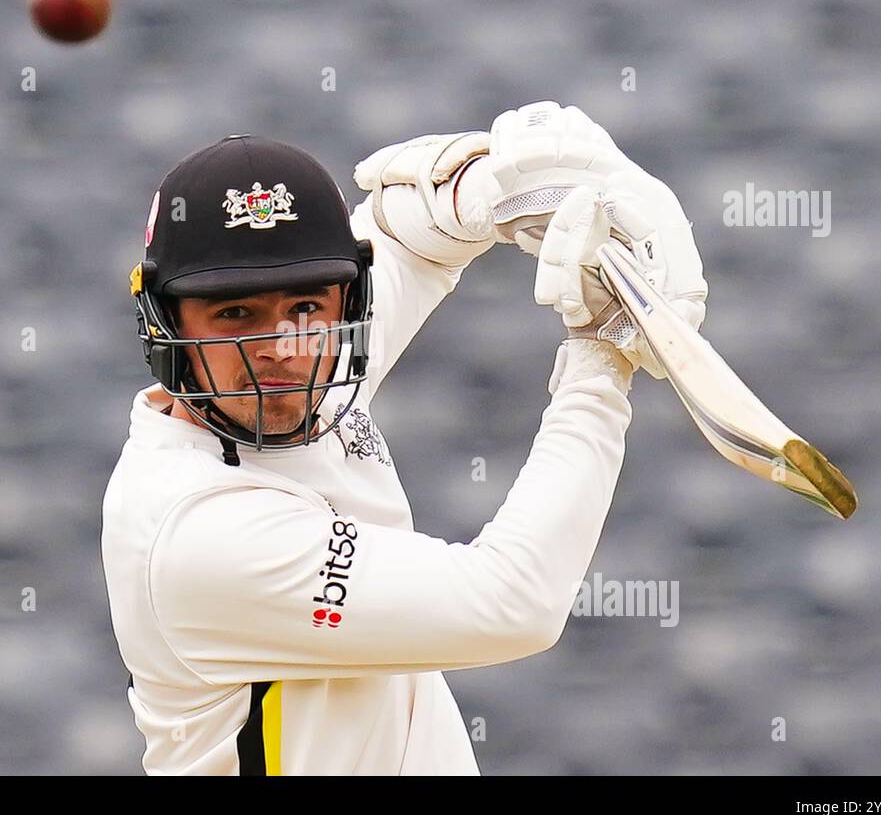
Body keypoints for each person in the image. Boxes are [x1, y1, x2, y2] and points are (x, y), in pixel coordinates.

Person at [100, 102, 708, 774]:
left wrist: (506, 184)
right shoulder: (197, 534)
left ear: (346, 302)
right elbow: (514, 602)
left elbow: (413, 233)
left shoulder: (294, 373)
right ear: (164, 322)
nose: (278, 347)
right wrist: (600, 362)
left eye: (305, 305)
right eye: (235, 313)